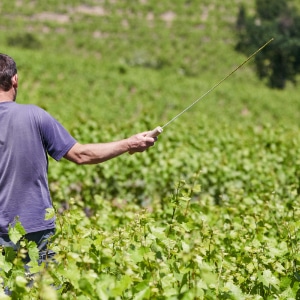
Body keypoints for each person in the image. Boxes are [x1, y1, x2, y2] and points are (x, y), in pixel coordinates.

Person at [0, 53, 157, 263]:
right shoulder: (34, 116)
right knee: (40, 291)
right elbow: (82, 155)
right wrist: (130, 143)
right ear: (15, 80)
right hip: (33, 231)